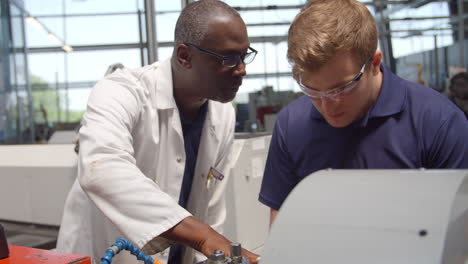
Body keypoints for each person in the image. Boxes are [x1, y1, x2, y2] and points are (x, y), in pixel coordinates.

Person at [56, 1, 259, 264]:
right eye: (228, 58)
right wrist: (206, 238)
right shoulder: (121, 91)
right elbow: (102, 168)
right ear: (185, 56)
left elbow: (209, 209)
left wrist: (213, 252)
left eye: (245, 56)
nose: (242, 69)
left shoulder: (222, 114)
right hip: (103, 255)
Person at [259, 0, 468, 227]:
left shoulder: (438, 122)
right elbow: (281, 226)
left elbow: (460, 235)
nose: (329, 105)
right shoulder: (292, 125)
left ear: (374, 63)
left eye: (343, 88)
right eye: (313, 90)